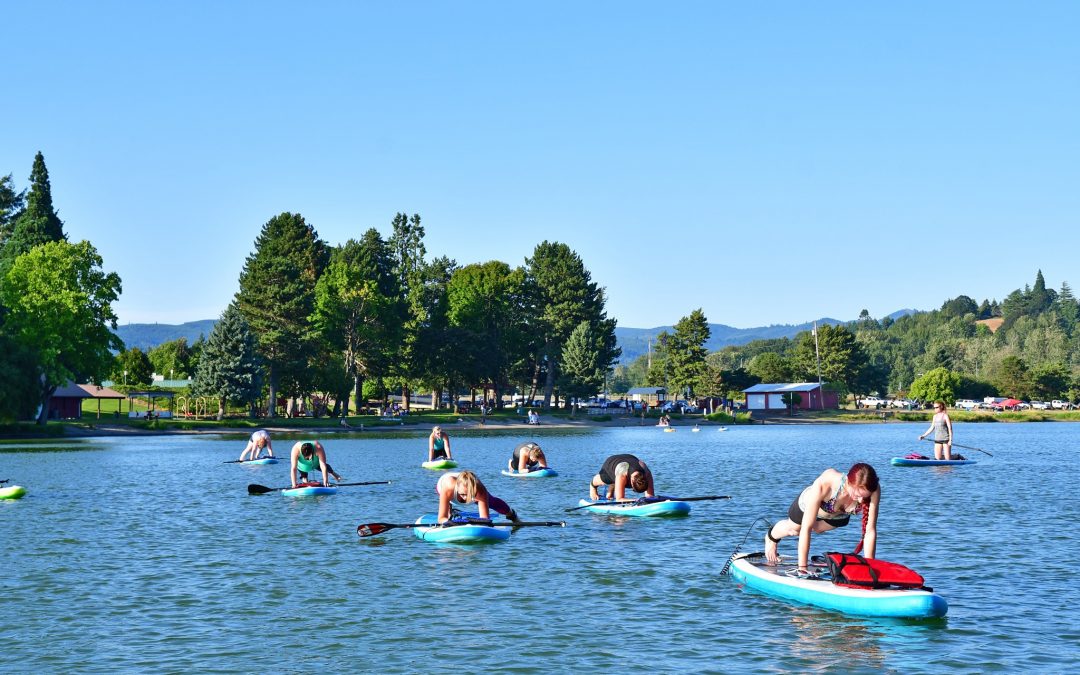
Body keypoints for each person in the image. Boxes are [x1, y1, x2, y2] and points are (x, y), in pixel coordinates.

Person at [763, 463, 881, 574]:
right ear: (849, 483)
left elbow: (870, 531)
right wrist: (802, 569)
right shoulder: (826, 483)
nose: (860, 501)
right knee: (795, 530)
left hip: (838, 516)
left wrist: (870, 569)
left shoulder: (873, 488)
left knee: (818, 529)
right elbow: (806, 528)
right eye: (857, 495)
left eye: (864, 497)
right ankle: (771, 537)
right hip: (807, 506)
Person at [436, 470, 519, 523]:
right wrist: (453, 523)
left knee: (492, 501)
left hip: (471, 486)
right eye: (462, 494)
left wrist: (470, 522)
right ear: (457, 488)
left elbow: (485, 519)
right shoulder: (449, 487)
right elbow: (441, 519)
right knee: (447, 513)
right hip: (442, 485)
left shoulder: (480, 489)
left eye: (469, 495)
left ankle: (512, 515)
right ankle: (449, 511)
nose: (465, 498)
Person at [589, 453, 655, 501]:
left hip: (630, 458)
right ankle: (592, 486)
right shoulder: (622, 474)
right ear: (632, 483)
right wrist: (637, 500)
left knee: (618, 482)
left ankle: (610, 494)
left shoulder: (647, 473)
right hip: (611, 463)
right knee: (604, 480)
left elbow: (650, 496)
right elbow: (619, 499)